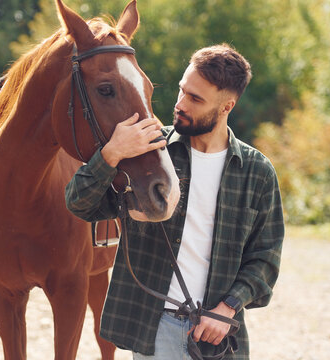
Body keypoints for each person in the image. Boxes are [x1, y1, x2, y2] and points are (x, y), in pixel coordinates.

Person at [65, 43, 284, 360]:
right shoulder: (147, 152)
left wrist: (228, 308)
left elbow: (266, 257)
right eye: (183, 90)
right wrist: (110, 154)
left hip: (217, 335)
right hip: (154, 330)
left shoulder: (257, 172)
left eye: (195, 99)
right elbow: (79, 204)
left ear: (226, 107)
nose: (180, 103)